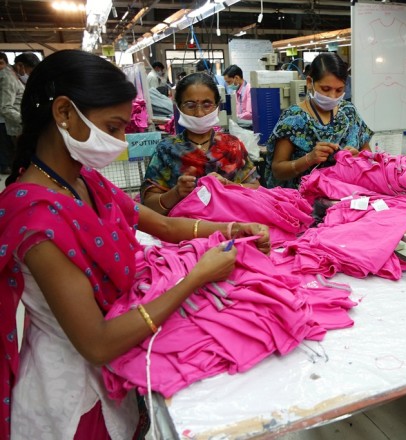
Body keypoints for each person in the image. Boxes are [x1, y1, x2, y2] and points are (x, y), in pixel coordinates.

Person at [0, 49, 270, 440]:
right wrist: (195, 278)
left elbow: (160, 223)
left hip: (113, 373)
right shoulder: (37, 216)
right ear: (64, 112)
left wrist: (231, 228)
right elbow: (96, 343)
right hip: (71, 398)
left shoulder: (84, 181)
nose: (121, 141)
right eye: (113, 127)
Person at [141, 72, 260, 214]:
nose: (199, 113)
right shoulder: (166, 150)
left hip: (232, 226)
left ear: (217, 106)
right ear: (178, 107)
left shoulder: (232, 146)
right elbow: (148, 206)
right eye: (190, 105)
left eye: (207, 104)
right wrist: (176, 193)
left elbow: (256, 189)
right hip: (182, 231)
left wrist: (229, 185)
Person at [264, 52, 373, 189]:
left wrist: (358, 158)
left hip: (347, 196)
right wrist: (309, 159)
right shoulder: (293, 119)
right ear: (310, 83)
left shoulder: (349, 113)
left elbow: (368, 157)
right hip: (305, 202)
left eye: (339, 90)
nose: (333, 96)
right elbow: (277, 170)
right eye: (326, 89)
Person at [0, 52, 24, 172]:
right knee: (11, 158)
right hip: (9, 122)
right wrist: (24, 120)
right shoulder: (7, 77)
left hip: (12, 120)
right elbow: (5, 107)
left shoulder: (14, 75)